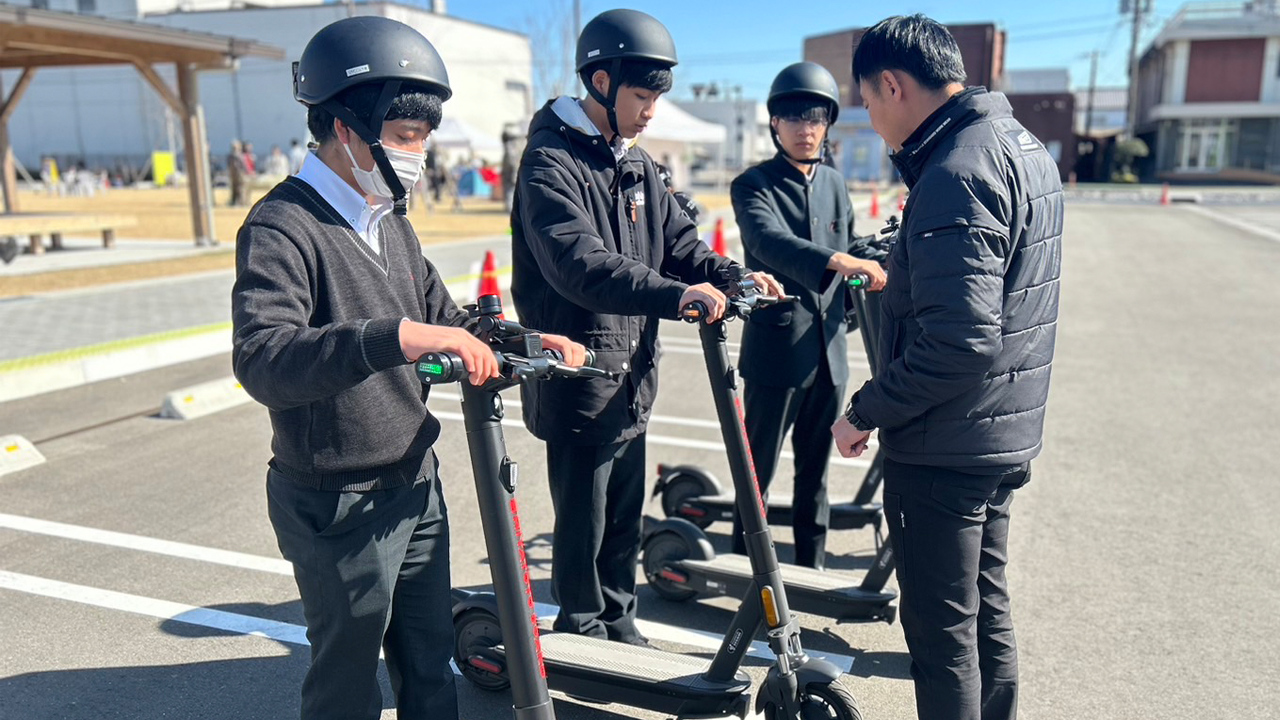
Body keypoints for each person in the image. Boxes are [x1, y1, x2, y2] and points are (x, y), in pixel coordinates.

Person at [231, 16, 584, 720]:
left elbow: (446, 320)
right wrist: (393, 337)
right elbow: (263, 358)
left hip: (415, 479)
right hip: (338, 498)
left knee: (431, 662)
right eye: (405, 135)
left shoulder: (388, 216)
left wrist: (526, 339)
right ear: (344, 127)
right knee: (347, 682)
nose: (418, 153)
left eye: (421, 136)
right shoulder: (282, 227)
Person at [511, 8, 783, 645]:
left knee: (625, 515)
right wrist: (678, 293)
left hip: (632, 374)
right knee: (584, 521)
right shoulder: (550, 163)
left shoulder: (635, 164)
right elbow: (579, 264)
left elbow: (682, 243)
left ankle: (620, 619)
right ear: (600, 82)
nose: (652, 111)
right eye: (642, 95)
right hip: (578, 374)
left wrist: (732, 275)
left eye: (658, 97)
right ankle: (581, 631)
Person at [831, 15, 1063, 720]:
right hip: (998, 432)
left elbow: (958, 342)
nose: (871, 121)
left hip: (945, 446)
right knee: (986, 614)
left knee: (943, 636)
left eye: (868, 104)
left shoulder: (957, 171)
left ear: (894, 85)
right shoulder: (1022, 147)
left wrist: (863, 409)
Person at [729, 62, 888, 570]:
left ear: (828, 125)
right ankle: (745, 566)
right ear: (775, 124)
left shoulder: (835, 184)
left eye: (815, 119)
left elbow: (850, 243)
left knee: (816, 471)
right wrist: (837, 260)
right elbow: (766, 242)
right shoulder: (753, 185)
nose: (805, 129)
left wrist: (881, 250)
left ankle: (809, 564)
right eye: (793, 118)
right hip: (777, 351)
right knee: (760, 469)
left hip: (830, 349)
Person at [226, 140, 247, 207]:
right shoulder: (230, 156)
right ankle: (233, 201)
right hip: (233, 174)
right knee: (233, 188)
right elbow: (229, 164)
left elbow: (243, 165)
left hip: (239, 174)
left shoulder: (240, 155)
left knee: (240, 188)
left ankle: (241, 202)